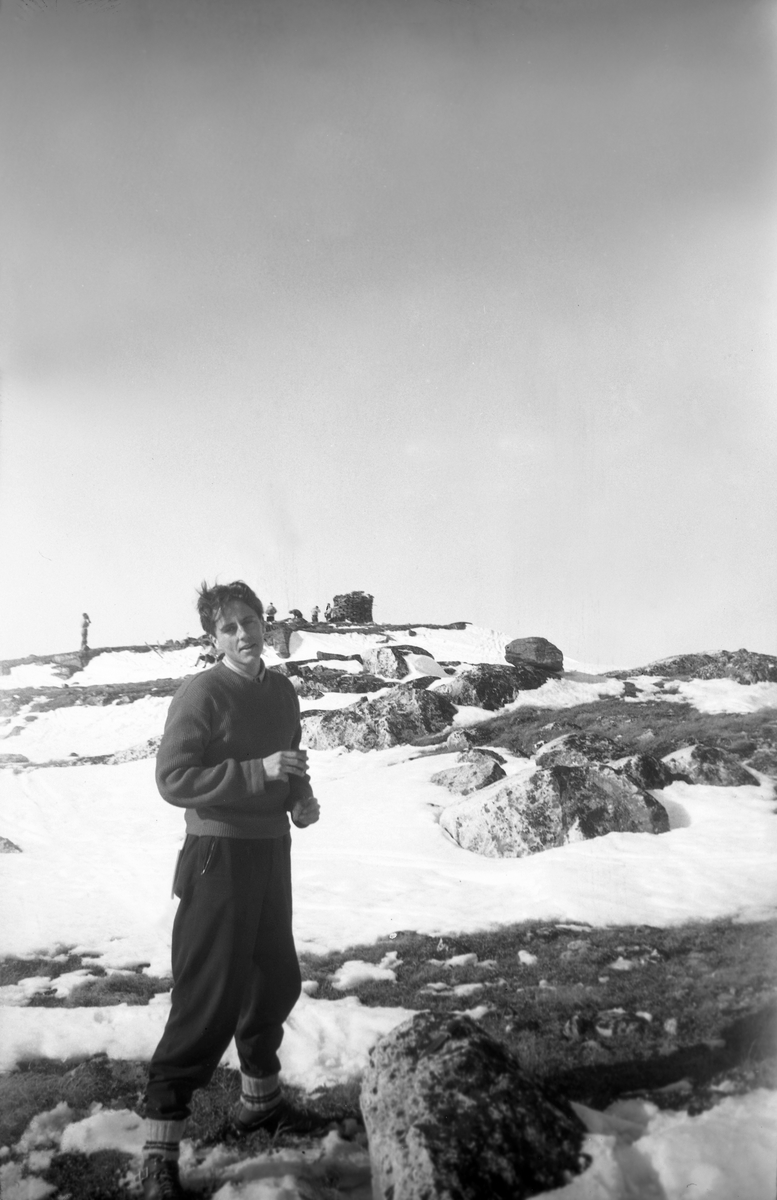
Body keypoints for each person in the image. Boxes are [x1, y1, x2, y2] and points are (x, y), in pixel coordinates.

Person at [140, 580, 321, 1200]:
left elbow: (289, 756)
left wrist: (297, 796)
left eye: (252, 621)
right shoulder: (202, 692)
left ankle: (259, 1106)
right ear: (212, 638)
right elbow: (173, 777)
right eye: (229, 627)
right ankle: (159, 1148)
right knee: (208, 994)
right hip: (217, 853)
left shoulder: (281, 689)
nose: (245, 635)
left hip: (271, 849)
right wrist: (255, 774)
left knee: (275, 977)